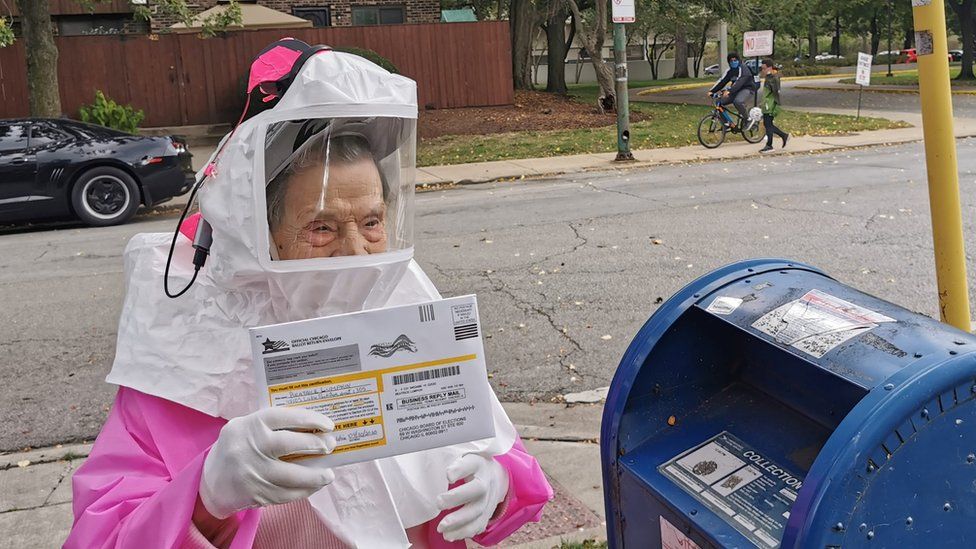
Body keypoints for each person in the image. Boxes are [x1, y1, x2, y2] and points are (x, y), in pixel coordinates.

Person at [65, 45, 552, 549]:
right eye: (320, 227)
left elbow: (507, 463)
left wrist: (497, 481)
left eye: (372, 222)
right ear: (260, 234)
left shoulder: (406, 311)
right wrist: (205, 495)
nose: (354, 250)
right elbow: (103, 535)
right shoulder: (181, 359)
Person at [707, 52, 759, 127]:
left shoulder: (743, 68)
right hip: (735, 90)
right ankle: (727, 123)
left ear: (739, 60)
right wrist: (712, 91)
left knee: (737, 101)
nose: (733, 62)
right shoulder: (730, 71)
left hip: (747, 89)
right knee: (719, 102)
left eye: (735, 60)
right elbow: (722, 81)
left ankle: (747, 119)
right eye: (731, 61)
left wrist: (729, 91)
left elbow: (739, 81)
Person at [758, 58, 789, 153]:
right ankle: (783, 136)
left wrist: (775, 105)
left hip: (771, 104)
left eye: (764, 68)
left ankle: (769, 145)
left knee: (768, 124)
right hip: (767, 103)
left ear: (769, 67)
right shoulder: (769, 77)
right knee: (768, 124)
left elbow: (776, 92)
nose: (762, 70)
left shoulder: (774, 77)